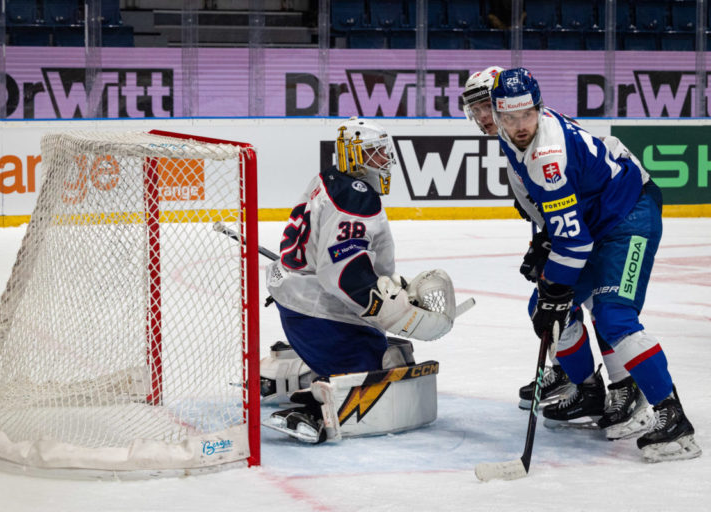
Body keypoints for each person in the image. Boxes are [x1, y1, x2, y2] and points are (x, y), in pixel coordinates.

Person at [488, 67, 702, 462]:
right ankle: (589, 392)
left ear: (539, 107)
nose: (520, 126)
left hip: (630, 214)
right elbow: (559, 213)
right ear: (499, 116)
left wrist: (555, 282)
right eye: (510, 117)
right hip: (596, 218)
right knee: (546, 310)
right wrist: (545, 245)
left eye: (527, 115)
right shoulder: (512, 137)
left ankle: (672, 419)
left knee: (613, 316)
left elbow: (574, 240)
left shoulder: (547, 155)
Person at [461, 66, 651, 441]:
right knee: (556, 300)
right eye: (477, 109)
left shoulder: (541, 137)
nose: (483, 117)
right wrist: (546, 239)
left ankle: (622, 384)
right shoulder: (514, 133)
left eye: (487, 106)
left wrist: (558, 244)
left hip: (608, 217)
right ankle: (579, 378)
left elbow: (568, 193)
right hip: (583, 222)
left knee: (598, 302)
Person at [262, 117, 459, 444]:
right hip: (318, 309)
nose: (384, 161)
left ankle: (283, 374)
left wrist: (384, 286)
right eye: (375, 153)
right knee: (376, 372)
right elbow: (340, 271)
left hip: (302, 301)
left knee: (391, 353)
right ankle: (314, 410)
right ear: (353, 155)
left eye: (384, 152)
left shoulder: (330, 179)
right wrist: (386, 307)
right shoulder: (356, 195)